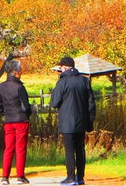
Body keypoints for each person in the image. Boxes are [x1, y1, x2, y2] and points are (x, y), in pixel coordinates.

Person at [49, 55, 95, 186]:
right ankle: (80, 177)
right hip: (81, 121)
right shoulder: (84, 81)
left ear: (64, 67)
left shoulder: (62, 82)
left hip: (67, 121)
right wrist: (90, 121)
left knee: (69, 150)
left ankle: (70, 177)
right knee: (80, 149)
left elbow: (54, 102)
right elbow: (91, 103)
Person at [0, 58, 32, 185]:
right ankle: (20, 176)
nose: (21, 72)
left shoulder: (1, 86)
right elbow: (26, 106)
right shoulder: (20, 87)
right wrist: (28, 113)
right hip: (21, 120)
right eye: (20, 70)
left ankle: (5, 177)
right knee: (20, 148)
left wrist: (5, 113)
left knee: (8, 149)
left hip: (8, 120)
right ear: (15, 72)